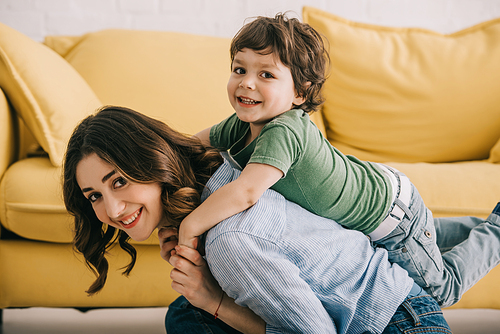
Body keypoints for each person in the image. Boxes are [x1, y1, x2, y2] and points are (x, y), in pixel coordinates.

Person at [177, 13, 500, 308]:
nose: (247, 82)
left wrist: (190, 225)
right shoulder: (241, 125)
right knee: (424, 241)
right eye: (239, 69)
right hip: (384, 196)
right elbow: (191, 145)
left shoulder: (285, 130)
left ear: (299, 94)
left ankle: (495, 230)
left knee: (439, 292)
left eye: (266, 74)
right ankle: (448, 232)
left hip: (391, 218)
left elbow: (246, 192)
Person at [64, 105, 454, 333]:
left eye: (120, 181)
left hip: (399, 324)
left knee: (195, 313)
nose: (113, 210)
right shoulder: (216, 180)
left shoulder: (228, 239)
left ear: (151, 161)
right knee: (186, 315)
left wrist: (213, 298)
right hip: (392, 303)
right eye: (95, 196)